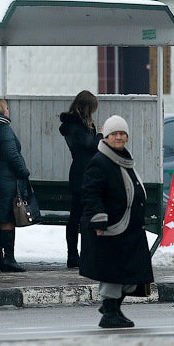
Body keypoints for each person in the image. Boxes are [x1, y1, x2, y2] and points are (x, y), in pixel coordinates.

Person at [80, 115, 154, 329]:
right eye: (114, 134)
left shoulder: (122, 158)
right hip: (112, 229)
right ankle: (110, 313)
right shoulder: (100, 162)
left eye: (122, 133)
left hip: (129, 229)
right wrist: (98, 221)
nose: (119, 137)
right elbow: (91, 194)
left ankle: (112, 308)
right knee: (114, 274)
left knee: (132, 274)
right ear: (106, 136)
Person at [0, 98, 33, 273]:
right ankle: (9, 258)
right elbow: (12, 153)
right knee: (8, 218)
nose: (8, 111)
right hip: (7, 178)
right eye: (6, 108)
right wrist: (24, 171)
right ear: (0, 110)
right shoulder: (4, 129)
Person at [59, 90, 102, 269]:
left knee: (78, 215)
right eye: (91, 108)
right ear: (86, 107)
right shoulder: (76, 125)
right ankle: (76, 254)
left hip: (81, 172)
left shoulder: (74, 124)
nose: (93, 113)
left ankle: (77, 254)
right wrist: (100, 134)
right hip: (83, 174)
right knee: (81, 216)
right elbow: (90, 146)